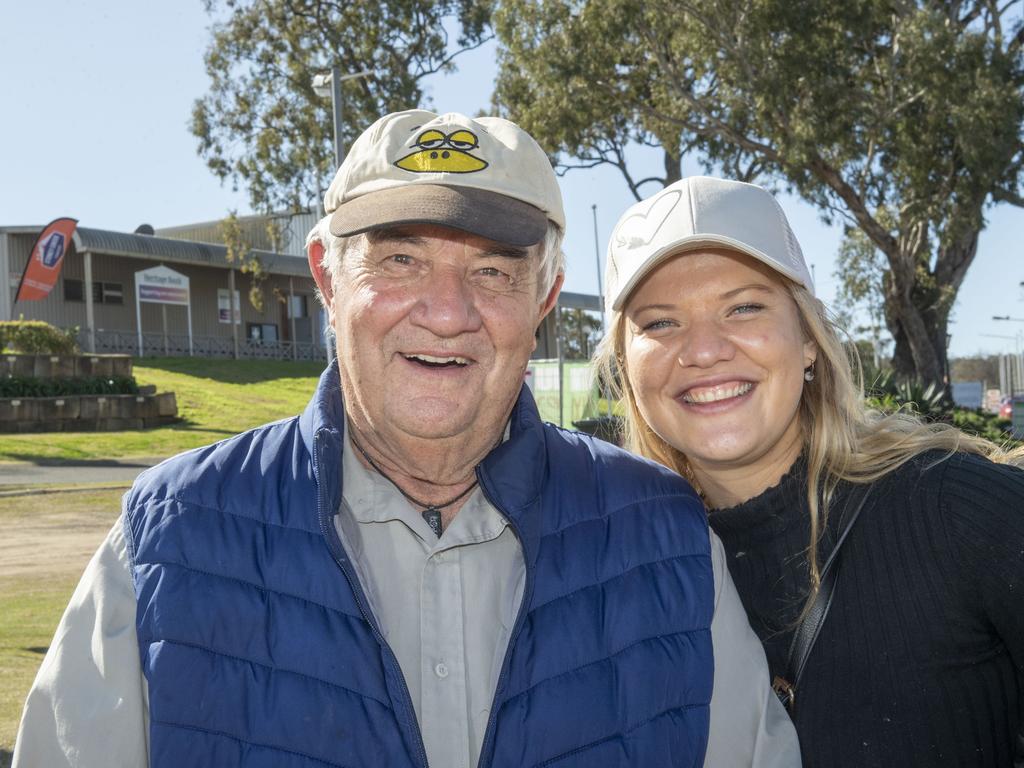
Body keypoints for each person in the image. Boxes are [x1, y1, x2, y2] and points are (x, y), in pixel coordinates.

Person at [13, 112, 798, 767]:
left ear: (546, 297)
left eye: (493, 272)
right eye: (399, 260)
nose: (447, 312)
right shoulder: (169, 537)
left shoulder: (663, 537)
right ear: (326, 276)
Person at [596, 175, 1024, 767]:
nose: (703, 349)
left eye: (743, 307)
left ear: (808, 341)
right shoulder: (623, 570)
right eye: (661, 323)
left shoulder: (957, 508)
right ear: (625, 367)